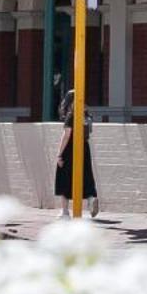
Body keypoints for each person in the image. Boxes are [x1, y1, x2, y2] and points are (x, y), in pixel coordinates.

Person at [55, 88, 97, 216]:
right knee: (85, 174)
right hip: (84, 147)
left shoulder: (71, 115)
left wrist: (59, 154)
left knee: (63, 176)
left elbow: (67, 134)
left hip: (70, 149)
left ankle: (65, 212)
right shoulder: (86, 115)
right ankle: (91, 197)